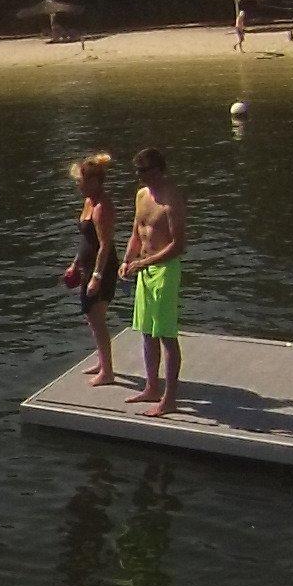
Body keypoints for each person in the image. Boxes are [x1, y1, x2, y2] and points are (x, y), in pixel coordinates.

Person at [119, 146, 187, 417]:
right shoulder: (141, 195)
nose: (139, 177)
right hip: (143, 270)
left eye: (143, 171)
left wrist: (143, 263)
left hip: (165, 271)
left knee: (166, 335)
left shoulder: (172, 201)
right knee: (147, 332)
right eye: (137, 172)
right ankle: (151, 387)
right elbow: (137, 231)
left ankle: (169, 398)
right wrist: (127, 260)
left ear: (158, 170)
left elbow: (178, 245)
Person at [63, 153, 121, 385]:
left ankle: (107, 372)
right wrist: (75, 263)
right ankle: (102, 361)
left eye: (81, 181)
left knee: (97, 317)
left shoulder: (102, 207)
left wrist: (97, 276)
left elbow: (105, 245)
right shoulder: (88, 202)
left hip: (102, 267)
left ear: (95, 182)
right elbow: (85, 240)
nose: (78, 185)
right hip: (87, 265)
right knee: (90, 316)